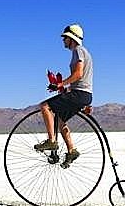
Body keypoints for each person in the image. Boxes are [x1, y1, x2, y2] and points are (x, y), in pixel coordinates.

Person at [34, 24, 93, 169]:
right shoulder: (81, 52)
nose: (63, 40)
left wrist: (61, 84)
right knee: (59, 121)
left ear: (71, 38)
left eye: (65, 38)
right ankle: (71, 150)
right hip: (82, 95)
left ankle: (51, 141)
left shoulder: (78, 51)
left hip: (80, 94)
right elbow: (81, 79)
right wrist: (63, 89)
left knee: (45, 106)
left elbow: (78, 74)